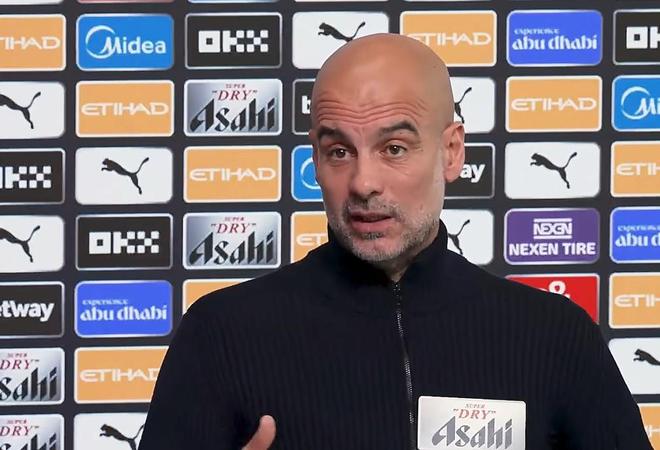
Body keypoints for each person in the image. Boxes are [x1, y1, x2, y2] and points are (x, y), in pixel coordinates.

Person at [138, 34, 652, 450]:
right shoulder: (222, 335)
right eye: (339, 151)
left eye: (394, 148)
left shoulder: (555, 336)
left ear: (451, 152)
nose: (364, 183)